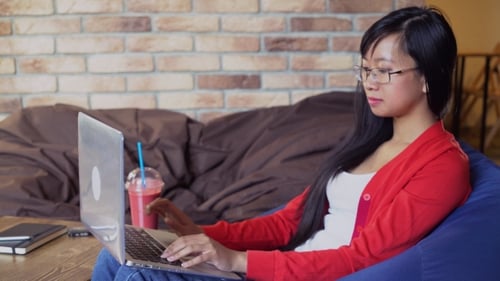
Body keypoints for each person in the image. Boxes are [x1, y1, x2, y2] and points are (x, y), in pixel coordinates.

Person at [92, 6, 471, 281]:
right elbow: (288, 222)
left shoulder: (442, 166)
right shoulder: (369, 141)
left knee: (137, 276)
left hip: (292, 275)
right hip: (279, 267)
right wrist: (200, 232)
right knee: (117, 257)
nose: (369, 82)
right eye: (365, 69)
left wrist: (237, 261)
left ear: (428, 78)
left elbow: (363, 258)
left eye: (385, 70)